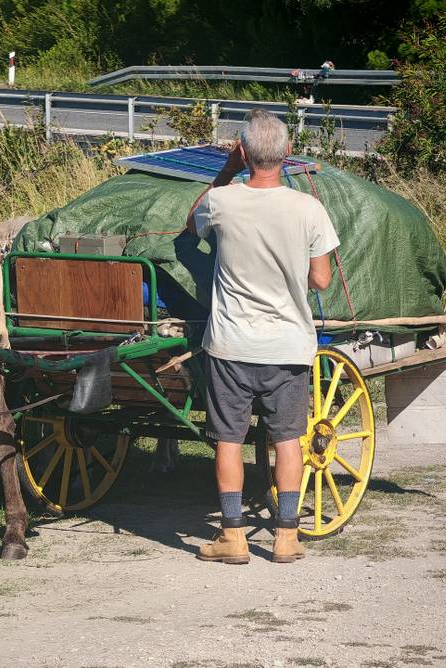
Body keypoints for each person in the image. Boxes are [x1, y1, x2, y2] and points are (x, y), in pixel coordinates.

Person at [186, 109, 339, 564]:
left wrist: (226, 170)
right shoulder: (309, 209)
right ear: (288, 152)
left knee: (229, 440)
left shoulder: (223, 201)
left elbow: (191, 224)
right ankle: (286, 536)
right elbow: (322, 280)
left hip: (230, 345)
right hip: (288, 346)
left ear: (243, 152)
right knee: (288, 439)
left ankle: (232, 537)